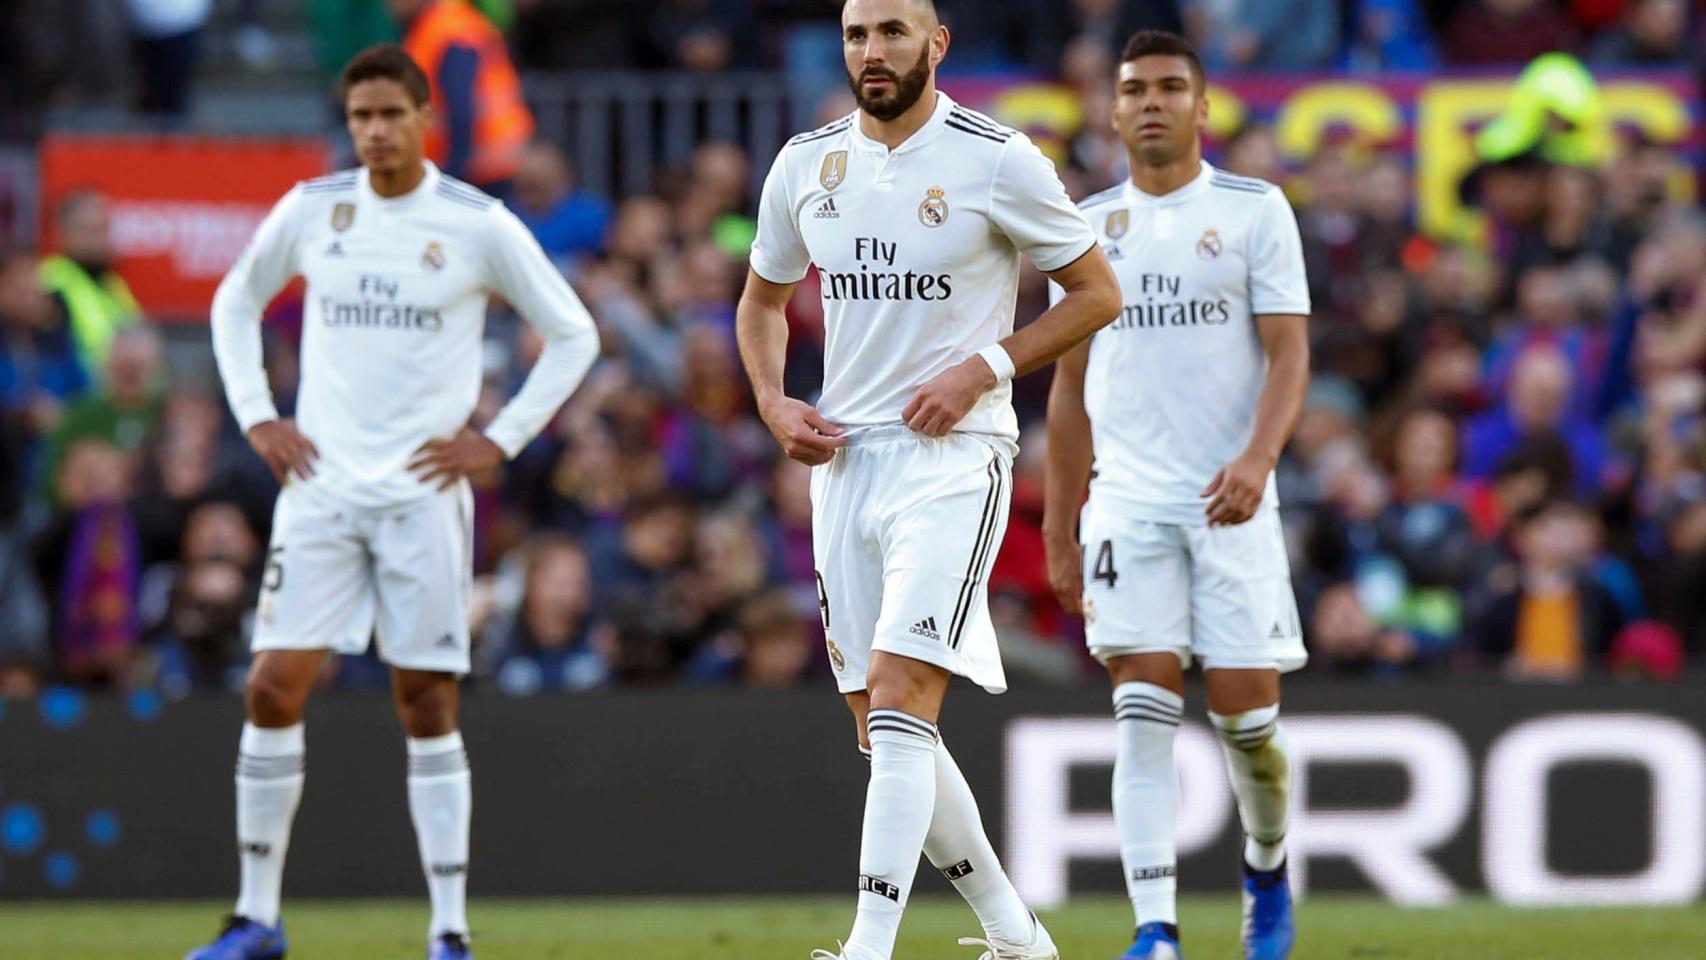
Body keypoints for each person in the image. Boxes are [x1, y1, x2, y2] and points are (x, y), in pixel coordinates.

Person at [189, 44, 599, 960]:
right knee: (271, 685)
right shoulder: (314, 209)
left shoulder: (474, 222)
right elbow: (232, 304)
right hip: (320, 490)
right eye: (360, 117)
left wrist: (499, 441)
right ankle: (258, 919)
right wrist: (259, 417)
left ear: (424, 119)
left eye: (390, 115)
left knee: (425, 702)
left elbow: (573, 333)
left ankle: (449, 931)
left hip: (422, 497)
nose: (374, 132)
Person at [736, 2, 1120, 958]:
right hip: (845, 461)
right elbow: (761, 302)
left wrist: (982, 368)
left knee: (906, 692)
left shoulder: (997, 159)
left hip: (956, 459)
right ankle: (1017, 938)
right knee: (881, 727)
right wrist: (775, 403)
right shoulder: (805, 165)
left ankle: (868, 947)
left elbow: (1098, 293)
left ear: (936, 45)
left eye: (894, 32)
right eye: (859, 34)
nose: (873, 51)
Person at [1042, 31, 1311, 960]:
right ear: (1111, 112)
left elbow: (1290, 353)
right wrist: (1059, 523)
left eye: (1169, 88)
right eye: (1134, 90)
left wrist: (1258, 461)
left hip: (1232, 501)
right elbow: (1068, 388)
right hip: (1126, 505)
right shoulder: (1083, 227)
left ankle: (1267, 867)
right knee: (1141, 707)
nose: (1151, 102)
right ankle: (1155, 930)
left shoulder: (1253, 210)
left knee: (1248, 728)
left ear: (1203, 108)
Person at [394, 0, 535, 196]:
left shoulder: (448, 29)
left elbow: (460, 109)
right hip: (481, 163)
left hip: (478, 167)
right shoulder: (444, 23)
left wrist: (451, 177)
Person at [39, 192, 141, 381]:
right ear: (64, 233)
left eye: (104, 229)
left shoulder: (114, 285)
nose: (100, 240)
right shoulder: (51, 280)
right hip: (75, 395)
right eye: (90, 230)